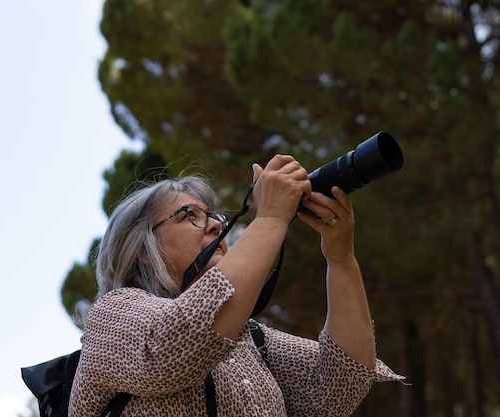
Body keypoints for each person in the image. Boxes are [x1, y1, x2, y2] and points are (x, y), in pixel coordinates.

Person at [69, 154, 403, 417]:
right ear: (142, 249)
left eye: (214, 217)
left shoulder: (251, 338)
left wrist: (341, 258)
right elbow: (173, 349)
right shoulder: (112, 315)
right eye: (190, 216)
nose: (215, 225)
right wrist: (271, 218)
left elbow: (342, 384)